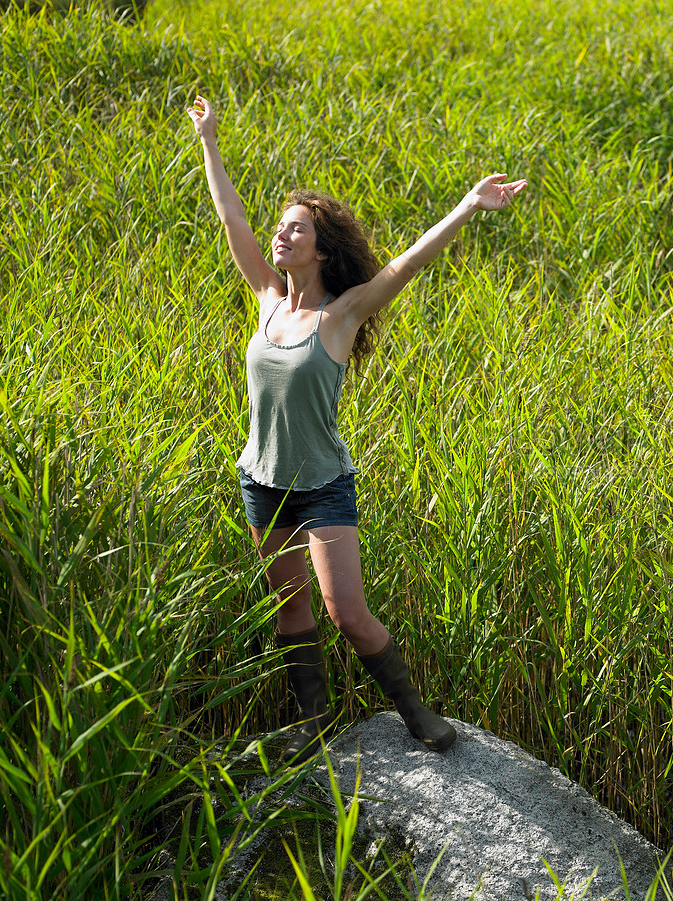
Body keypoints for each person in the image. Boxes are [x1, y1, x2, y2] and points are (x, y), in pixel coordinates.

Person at [187, 95, 526, 765]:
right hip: (263, 482)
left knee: (347, 613)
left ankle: (413, 710)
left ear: (322, 247)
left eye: (295, 230)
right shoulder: (264, 301)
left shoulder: (340, 317)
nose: (280, 236)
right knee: (290, 612)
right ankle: (315, 720)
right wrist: (210, 140)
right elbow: (231, 218)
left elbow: (406, 266)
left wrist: (466, 204)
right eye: (279, 228)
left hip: (322, 487)